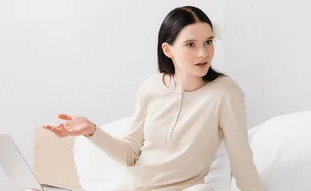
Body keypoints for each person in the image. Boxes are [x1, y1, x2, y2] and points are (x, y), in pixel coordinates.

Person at [42, 5, 264, 191]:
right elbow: (129, 154)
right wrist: (92, 130)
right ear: (168, 50)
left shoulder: (225, 92)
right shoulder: (151, 87)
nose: (203, 53)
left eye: (208, 42)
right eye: (191, 44)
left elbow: (241, 162)